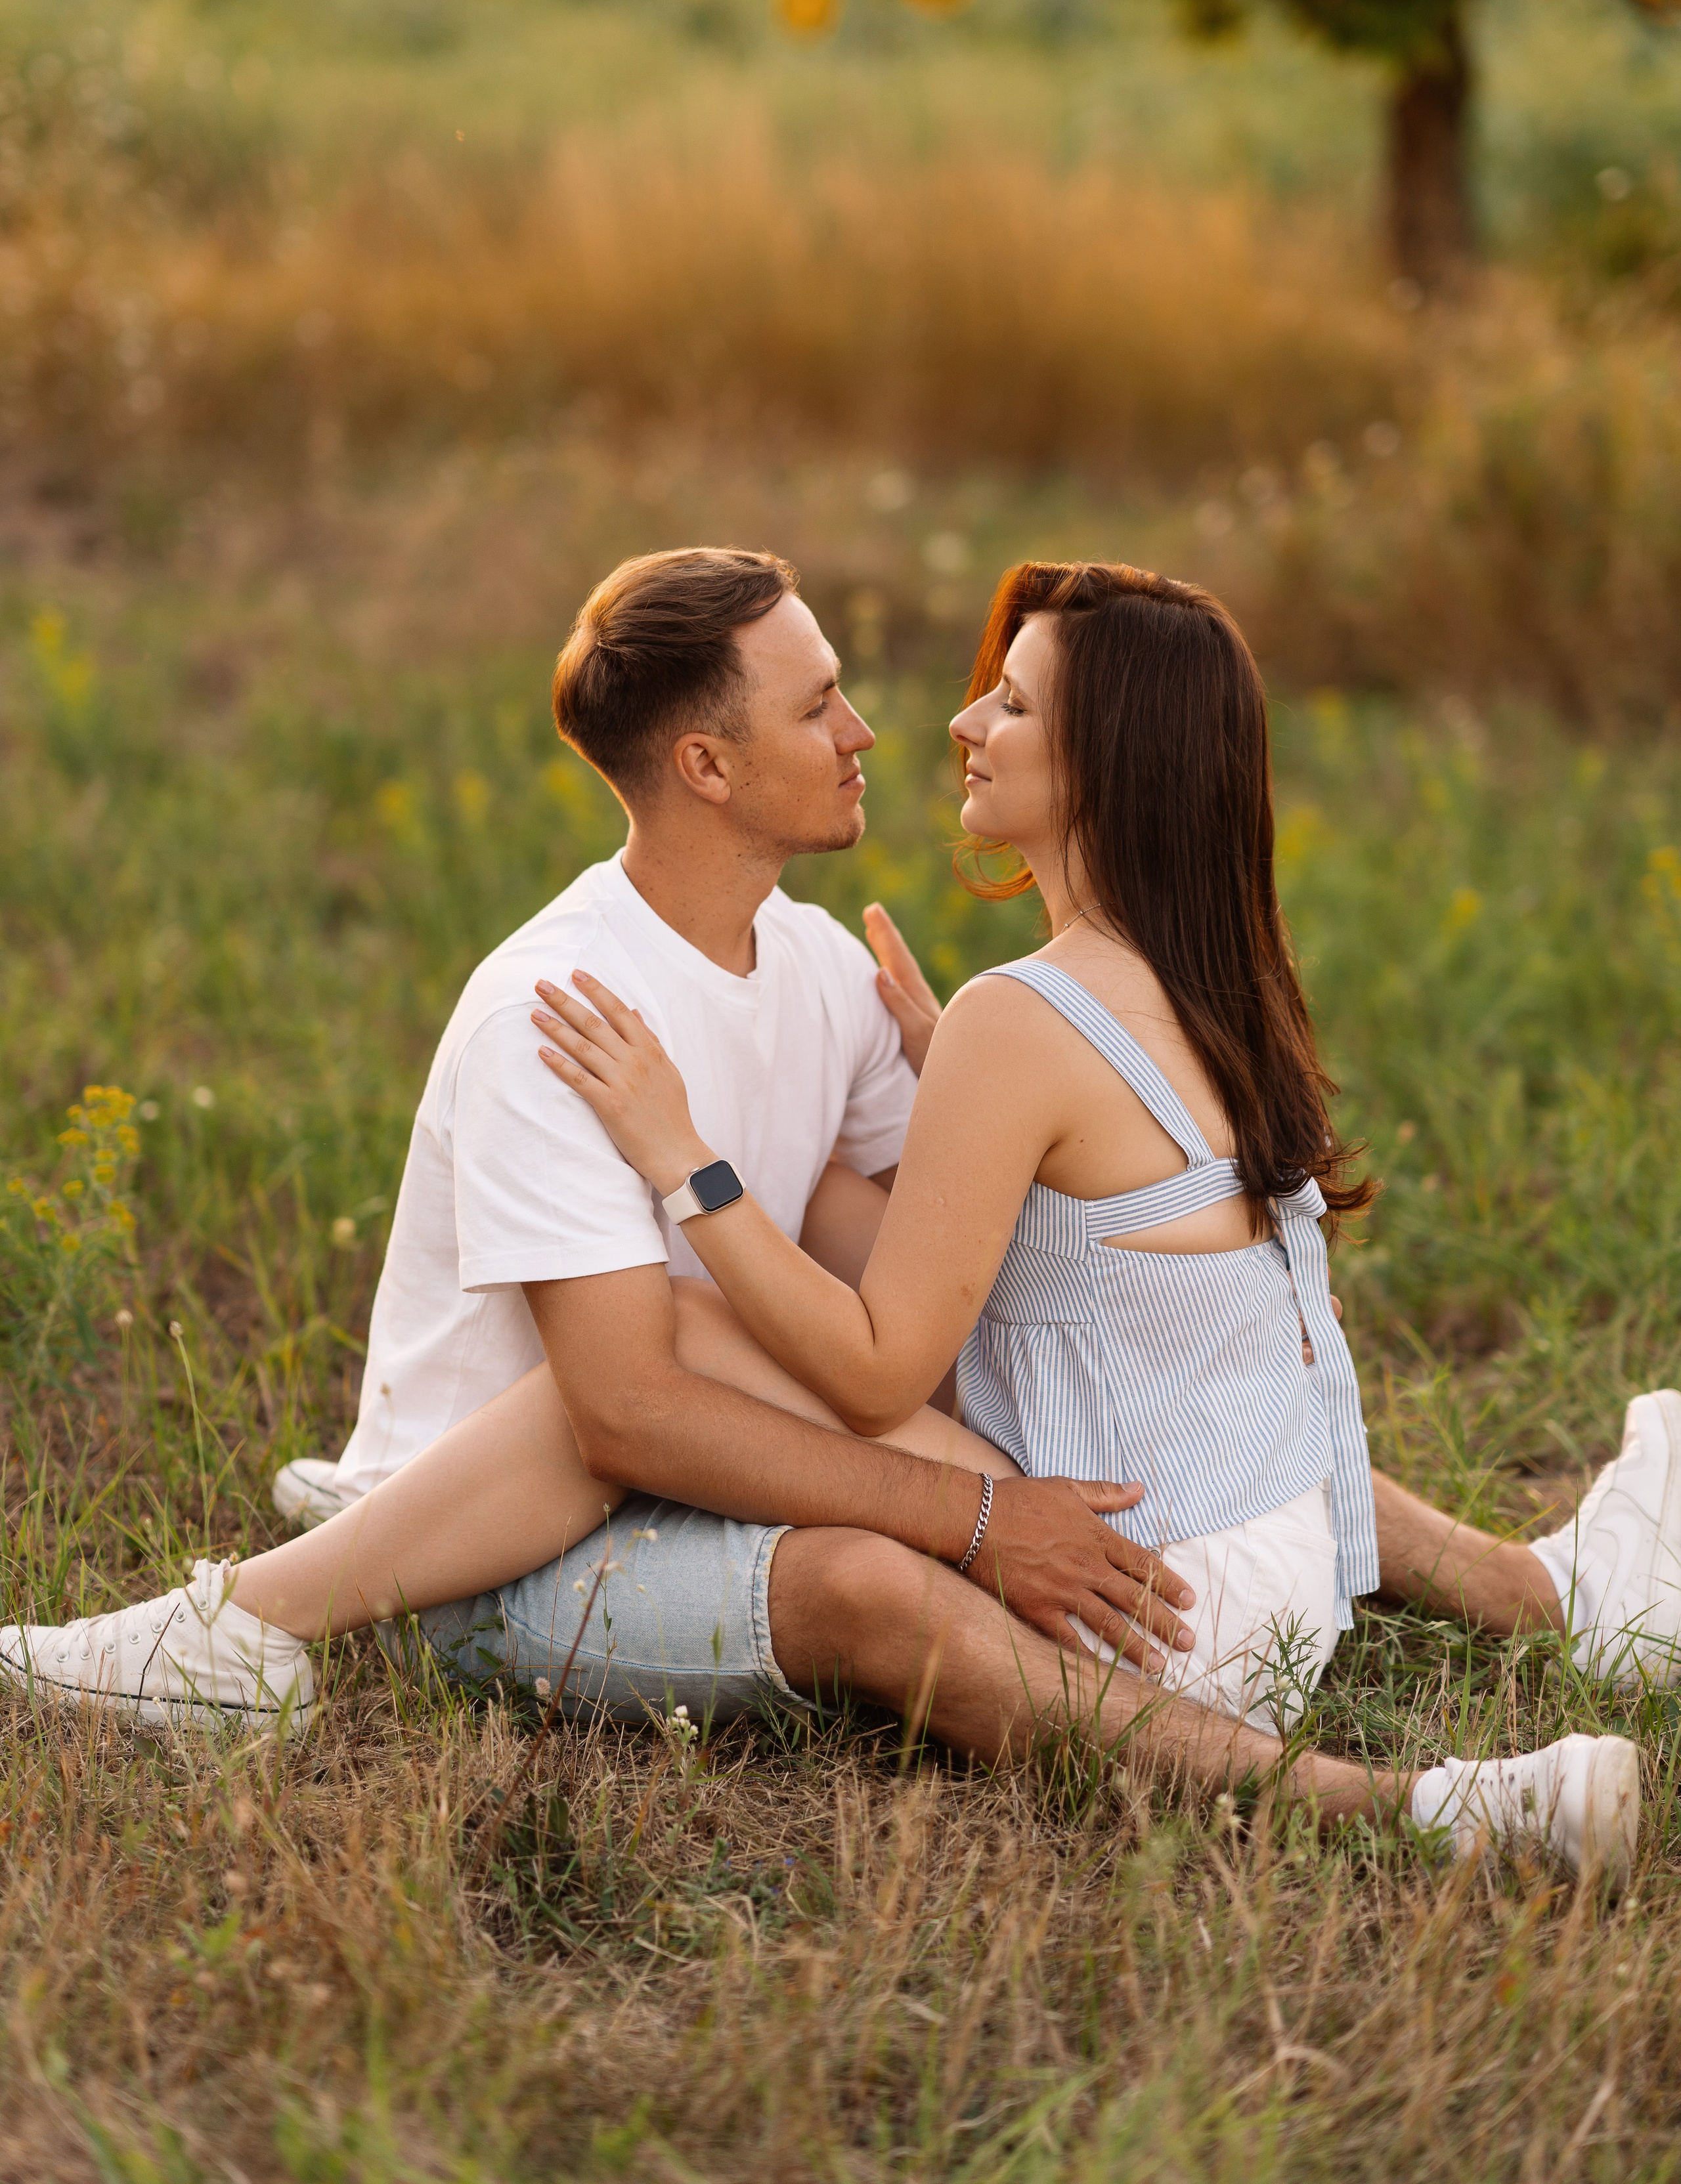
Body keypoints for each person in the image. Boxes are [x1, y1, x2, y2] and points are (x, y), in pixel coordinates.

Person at [2, 557, 1661, 1887]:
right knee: (782, 1443)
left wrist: (1009, 1126)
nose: (886, 725)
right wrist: (971, 1506)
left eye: (983, 699)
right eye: (822, 702)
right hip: (510, 1532)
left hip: (737, 1444)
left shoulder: (822, 971)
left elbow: (942, 1282)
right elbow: (629, 1406)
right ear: (707, 763)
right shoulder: (560, 1009)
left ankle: (1537, 1600)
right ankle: (259, 1619)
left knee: (1077, 1383)